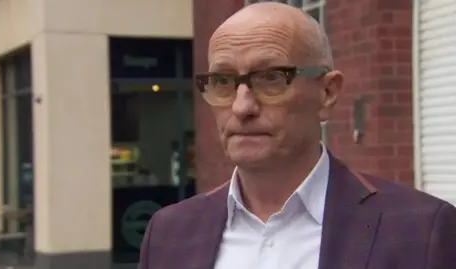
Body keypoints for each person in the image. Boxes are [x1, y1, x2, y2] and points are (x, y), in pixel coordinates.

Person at [138, 2, 456, 269]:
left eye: (272, 78)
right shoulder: (168, 234)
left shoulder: (421, 231)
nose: (242, 106)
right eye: (222, 81)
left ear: (328, 93)